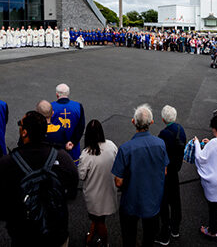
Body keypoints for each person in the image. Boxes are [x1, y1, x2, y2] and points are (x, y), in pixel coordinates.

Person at [0, 111, 79, 246]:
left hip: (23, 235)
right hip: (56, 233)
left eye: (20, 125)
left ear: (24, 132)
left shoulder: (8, 163)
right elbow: (72, 187)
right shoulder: (63, 158)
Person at [111, 104, 169, 247]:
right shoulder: (160, 144)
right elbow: (165, 171)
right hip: (153, 199)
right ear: (151, 122)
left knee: (129, 235)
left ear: (133, 122)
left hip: (131, 200)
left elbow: (118, 181)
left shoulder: (125, 148)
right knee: (149, 235)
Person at [78, 120, 119, 247]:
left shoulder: (86, 154)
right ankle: (91, 234)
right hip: (109, 189)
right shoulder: (111, 145)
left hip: (95, 194)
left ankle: (105, 242)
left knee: (98, 219)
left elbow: (81, 176)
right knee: (99, 217)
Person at [156, 105, 187, 245]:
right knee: (175, 200)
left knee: (164, 202)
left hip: (166, 171)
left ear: (163, 118)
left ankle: (165, 233)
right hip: (176, 169)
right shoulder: (181, 130)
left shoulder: (164, 134)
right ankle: (175, 229)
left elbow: (160, 153)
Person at [50, 83, 86, 165]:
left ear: (56, 94)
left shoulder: (51, 107)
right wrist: (73, 141)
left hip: (56, 148)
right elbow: (81, 127)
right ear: (68, 93)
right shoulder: (78, 106)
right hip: (73, 146)